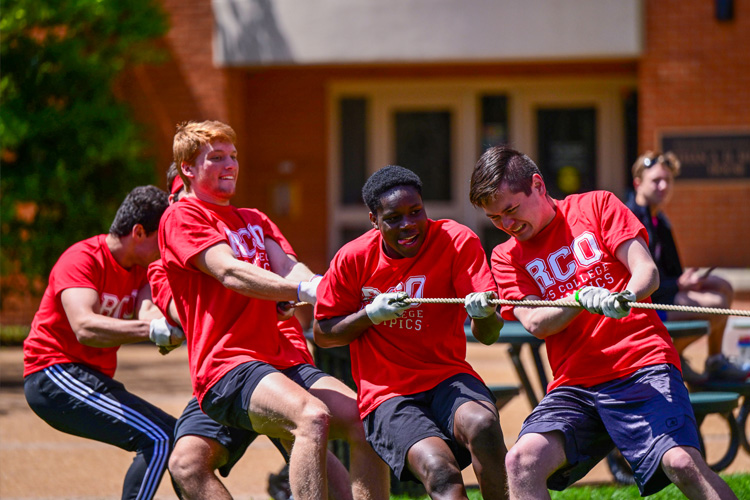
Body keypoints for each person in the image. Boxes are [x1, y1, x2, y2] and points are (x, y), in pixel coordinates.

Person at [469, 145, 737, 499]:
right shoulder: (506, 256)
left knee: (682, 464)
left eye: (510, 210)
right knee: (521, 460)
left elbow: (647, 273)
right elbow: (536, 322)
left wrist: (624, 296)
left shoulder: (595, 206)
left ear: (538, 185)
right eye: (494, 219)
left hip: (643, 366)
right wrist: (579, 298)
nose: (506, 225)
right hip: (576, 385)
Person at [159, 120, 389, 500]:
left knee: (367, 420)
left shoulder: (254, 218)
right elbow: (228, 270)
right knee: (311, 419)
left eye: (232, 156)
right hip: (229, 366)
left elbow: (289, 267)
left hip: (281, 358)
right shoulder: (183, 216)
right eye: (216, 158)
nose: (230, 164)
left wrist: (314, 285)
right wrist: (298, 289)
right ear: (187, 168)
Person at [314, 165, 509, 500]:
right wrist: (370, 315)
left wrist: (484, 313)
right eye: (393, 218)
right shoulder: (353, 258)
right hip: (388, 394)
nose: (408, 225)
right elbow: (323, 332)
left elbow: (489, 334)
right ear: (373, 219)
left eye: (416, 212)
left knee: (483, 425)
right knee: (440, 470)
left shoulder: (455, 240)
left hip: (448, 376)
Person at [23, 185, 184, 500]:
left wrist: (166, 326)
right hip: (53, 374)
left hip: (89, 378)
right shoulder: (82, 258)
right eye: (160, 239)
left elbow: (148, 310)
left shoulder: (141, 269)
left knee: (177, 436)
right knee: (161, 436)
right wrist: (152, 331)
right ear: (138, 232)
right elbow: (84, 326)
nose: (165, 248)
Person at [626, 151, 746, 383]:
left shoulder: (659, 219)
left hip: (666, 292)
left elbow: (673, 271)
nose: (663, 186)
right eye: (656, 181)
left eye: (668, 181)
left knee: (723, 286)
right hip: (645, 305)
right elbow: (636, 280)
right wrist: (679, 284)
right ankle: (671, 357)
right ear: (638, 183)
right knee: (717, 305)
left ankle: (714, 362)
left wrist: (686, 280)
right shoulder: (630, 218)